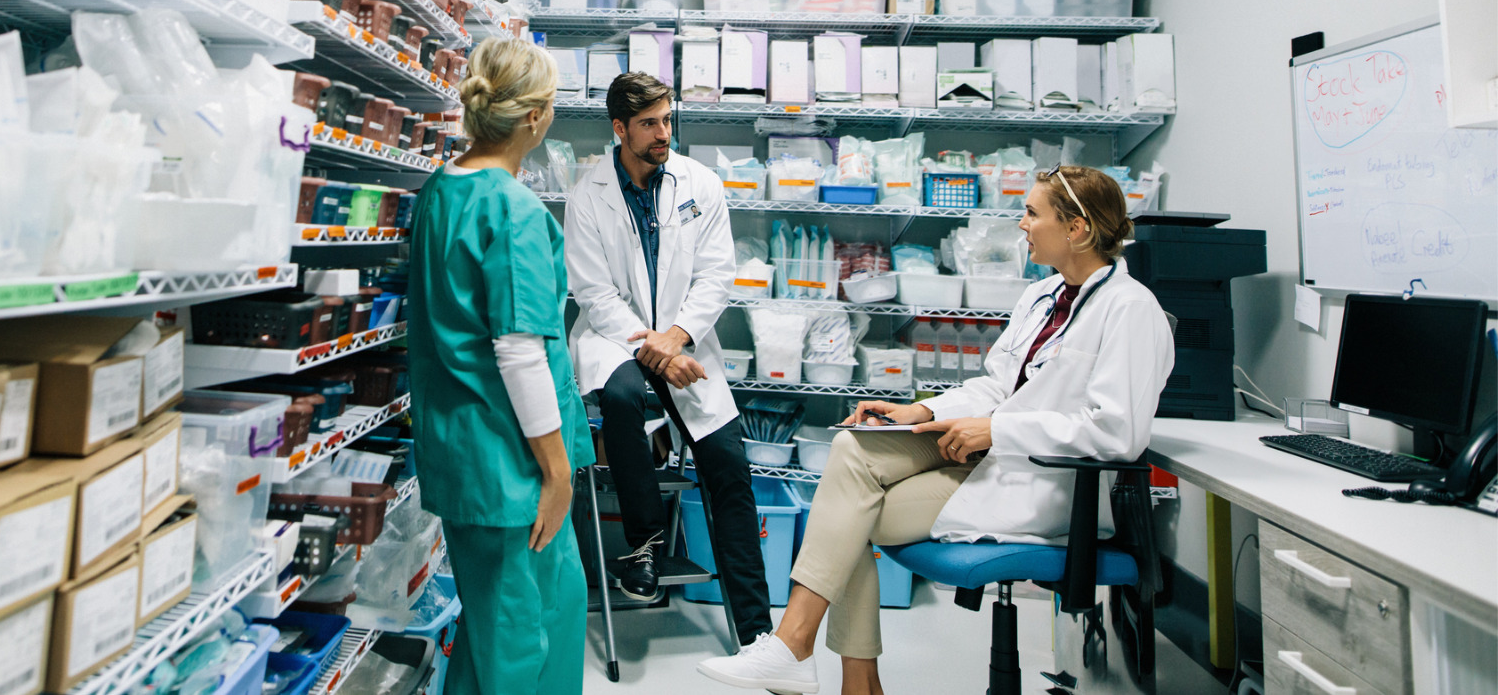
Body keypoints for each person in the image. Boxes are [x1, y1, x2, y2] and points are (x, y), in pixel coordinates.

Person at [696, 166, 1176, 694]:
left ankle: (819, 662)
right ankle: (806, 655)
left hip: (1049, 483)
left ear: (1077, 229)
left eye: (1033, 213)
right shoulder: (1040, 298)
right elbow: (996, 387)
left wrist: (997, 433)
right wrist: (923, 412)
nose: (1022, 224)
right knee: (852, 449)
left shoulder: (1131, 310)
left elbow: (1116, 433)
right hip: (992, 452)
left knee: (850, 506)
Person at [406, 37, 591, 695]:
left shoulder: (440, 193)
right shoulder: (510, 209)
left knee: (493, 635)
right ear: (537, 117)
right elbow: (519, 352)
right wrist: (557, 469)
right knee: (525, 640)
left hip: (466, 457)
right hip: (512, 466)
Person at [565, 72, 774, 646]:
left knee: (729, 465)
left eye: (667, 120)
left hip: (686, 342)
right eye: (650, 124)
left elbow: (715, 275)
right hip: (617, 338)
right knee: (623, 396)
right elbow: (593, 293)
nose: (664, 133)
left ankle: (757, 631)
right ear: (619, 128)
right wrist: (650, 346)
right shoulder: (589, 194)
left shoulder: (700, 184)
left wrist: (676, 337)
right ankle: (645, 548)